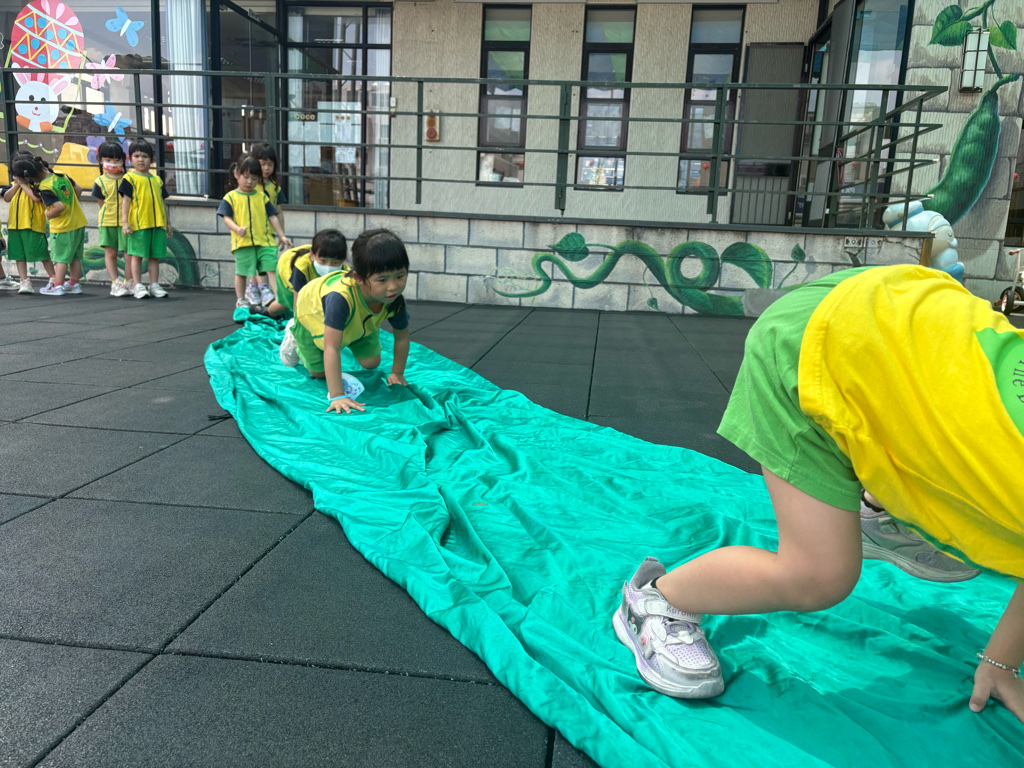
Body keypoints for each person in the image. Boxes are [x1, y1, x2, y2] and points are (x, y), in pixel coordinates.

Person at [613, 264, 1024, 723]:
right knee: (818, 575)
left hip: (903, 299)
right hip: (811, 349)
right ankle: (656, 599)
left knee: (939, 424)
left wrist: (1001, 663)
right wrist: (1001, 662)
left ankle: (878, 507)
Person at [292, 228, 411, 415]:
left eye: (400, 276)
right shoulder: (340, 299)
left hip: (356, 323)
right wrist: (337, 395)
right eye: (382, 280)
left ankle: (352, 334)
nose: (393, 287)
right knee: (318, 373)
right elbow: (332, 348)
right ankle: (293, 338)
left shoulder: (394, 300)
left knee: (371, 363)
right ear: (358, 278)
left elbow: (402, 337)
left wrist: (397, 373)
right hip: (312, 311)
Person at [217, 155, 292, 314]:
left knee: (272, 268)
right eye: (246, 177)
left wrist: (282, 235)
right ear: (236, 174)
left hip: (265, 241)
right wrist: (236, 229)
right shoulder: (230, 197)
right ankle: (241, 300)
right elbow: (226, 218)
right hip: (243, 243)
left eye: (254, 178)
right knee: (242, 272)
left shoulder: (262, 197)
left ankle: (279, 299)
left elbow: (273, 216)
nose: (250, 182)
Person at [270, 229, 348, 365]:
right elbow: (297, 306)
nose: (328, 267)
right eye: (323, 261)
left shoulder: (344, 272)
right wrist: (299, 329)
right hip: (290, 280)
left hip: (317, 285)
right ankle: (269, 314)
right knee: (286, 304)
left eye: (335, 263)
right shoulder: (301, 268)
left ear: (343, 260)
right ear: (312, 256)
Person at [12, 155, 87, 297]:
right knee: (75, 257)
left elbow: (58, 207)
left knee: (61, 259)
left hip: (63, 227)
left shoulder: (45, 186)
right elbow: (78, 189)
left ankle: (57, 286)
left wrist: (48, 214)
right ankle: (74, 284)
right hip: (78, 222)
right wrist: (71, 205)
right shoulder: (60, 174)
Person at [120, 138, 171, 299]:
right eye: (136, 156)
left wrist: (168, 223)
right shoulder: (129, 178)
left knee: (154, 256)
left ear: (152, 159)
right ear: (130, 159)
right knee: (137, 256)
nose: (140, 160)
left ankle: (154, 284)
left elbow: (163, 203)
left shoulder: (157, 180)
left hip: (157, 224)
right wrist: (125, 222)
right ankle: (138, 285)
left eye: (144, 156)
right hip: (139, 225)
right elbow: (126, 202)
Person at [3, 150, 54, 294]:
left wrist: (24, 184)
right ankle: (24, 280)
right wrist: (17, 184)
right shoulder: (14, 184)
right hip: (15, 226)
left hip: (32, 225)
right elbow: (6, 197)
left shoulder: (36, 184)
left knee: (42, 253)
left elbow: (36, 198)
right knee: (19, 255)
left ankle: (53, 278)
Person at [245, 142, 285, 308]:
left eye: (270, 164)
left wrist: (282, 233)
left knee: (267, 262)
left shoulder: (275, 187)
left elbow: (278, 211)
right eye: (262, 164)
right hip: (252, 232)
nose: (266, 168)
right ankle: (265, 290)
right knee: (260, 263)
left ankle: (254, 288)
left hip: (269, 232)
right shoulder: (251, 185)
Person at [91, 140, 130, 297]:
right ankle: (116, 283)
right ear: (100, 160)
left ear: (123, 160)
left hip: (127, 223)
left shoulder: (129, 179)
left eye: (116, 160)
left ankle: (130, 282)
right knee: (111, 253)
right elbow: (101, 202)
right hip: (107, 222)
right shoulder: (99, 181)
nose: (113, 163)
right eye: (108, 160)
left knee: (129, 254)